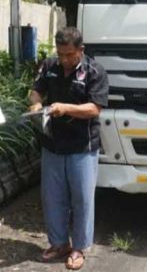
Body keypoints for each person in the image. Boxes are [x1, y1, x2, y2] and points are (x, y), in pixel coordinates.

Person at [28, 27, 109, 271]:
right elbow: (35, 91)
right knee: (53, 198)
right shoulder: (49, 65)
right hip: (53, 144)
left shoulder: (95, 71)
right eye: (60, 54)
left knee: (82, 199)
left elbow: (95, 108)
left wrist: (65, 107)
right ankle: (59, 243)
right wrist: (36, 104)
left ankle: (79, 248)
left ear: (81, 50)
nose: (64, 60)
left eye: (69, 55)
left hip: (82, 146)